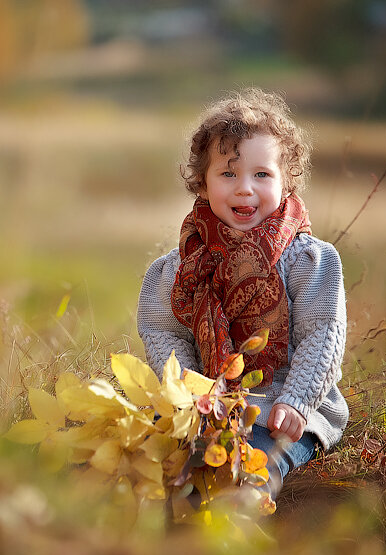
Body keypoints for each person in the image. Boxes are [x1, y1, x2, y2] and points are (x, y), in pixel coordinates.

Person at [136, 88, 348, 500]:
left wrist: (297, 401)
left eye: (262, 175)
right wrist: (190, 394)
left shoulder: (309, 260)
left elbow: (322, 335)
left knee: (255, 462)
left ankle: (243, 514)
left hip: (284, 409)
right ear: (202, 183)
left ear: (287, 182)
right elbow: (163, 331)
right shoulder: (181, 267)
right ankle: (175, 528)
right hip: (207, 406)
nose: (245, 189)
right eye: (228, 174)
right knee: (175, 468)